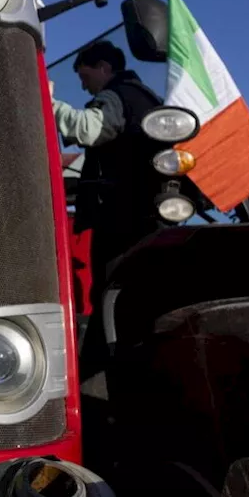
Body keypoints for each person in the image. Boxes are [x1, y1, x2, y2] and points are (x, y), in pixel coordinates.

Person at [50, 41, 166, 318]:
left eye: (84, 77)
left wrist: (44, 100)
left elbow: (88, 130)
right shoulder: (146, 98)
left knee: (110, 288)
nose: (83, 87)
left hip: (121, 214)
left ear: (104, 68)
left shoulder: (118, 95)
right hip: (147, 209)